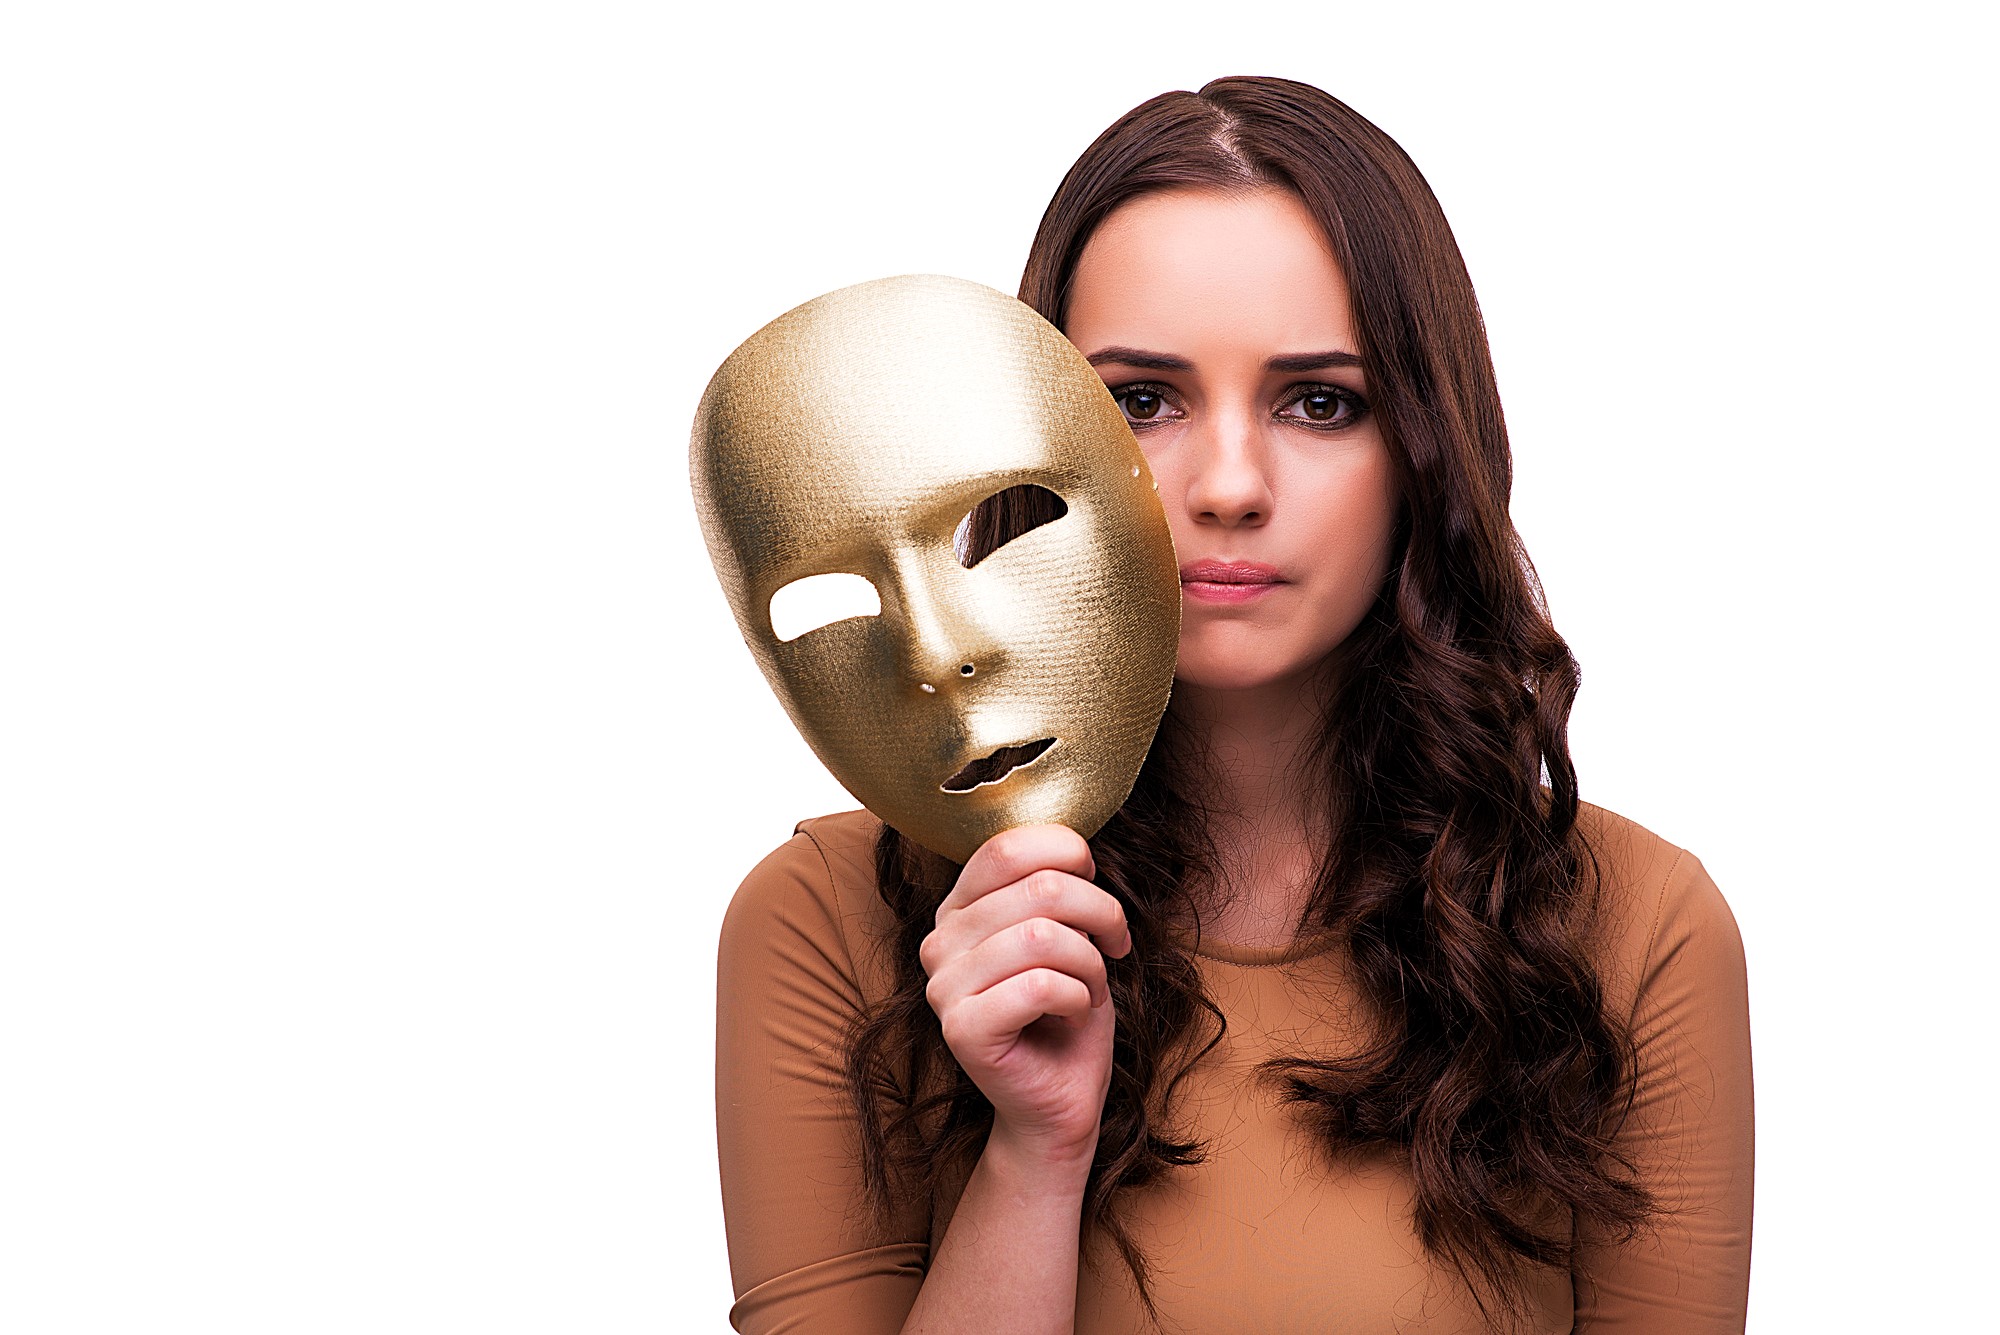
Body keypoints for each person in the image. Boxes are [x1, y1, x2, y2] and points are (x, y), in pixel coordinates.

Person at [713, 76, 1753, 1335]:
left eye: (1320, 401)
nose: (1228, 485)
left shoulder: (1629, 932)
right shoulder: (830, 923)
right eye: (1141, 401)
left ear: (1425, 444)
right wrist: (1032, 1156)